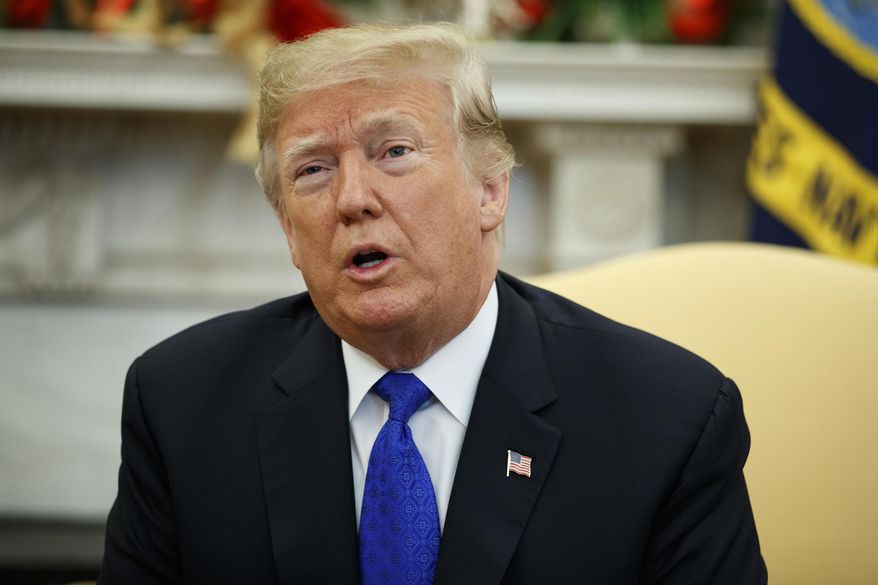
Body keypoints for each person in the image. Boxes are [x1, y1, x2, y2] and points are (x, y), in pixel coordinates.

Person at [98, 23, 767, 585]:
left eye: (394, 151)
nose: (352, 199)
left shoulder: (668, 420)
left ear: (490, 190)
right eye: (313, 169)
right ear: (288, 230)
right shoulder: (182, 403)